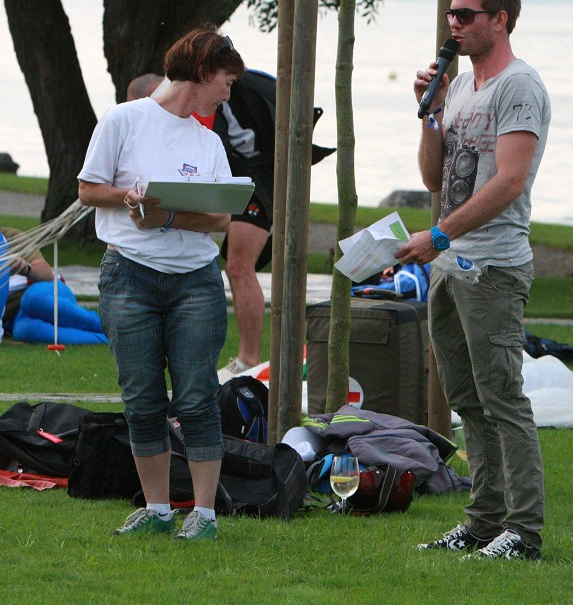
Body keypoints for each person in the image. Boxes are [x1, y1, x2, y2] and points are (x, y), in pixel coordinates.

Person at [395, 0, 549, 560]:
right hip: (451, 264)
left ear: (500, 19)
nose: (453, 25)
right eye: (450, 15)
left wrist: (438, 233)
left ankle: (524, 531)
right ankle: (483, 521)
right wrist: (431, 112)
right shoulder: (460, 87)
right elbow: (435, 178)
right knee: (468, 400)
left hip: (493, 266)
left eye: (465, 15)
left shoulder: (520, 86)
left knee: (503, 398)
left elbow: (510, 181)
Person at [78, 28, 243, 541]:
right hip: (128, 274)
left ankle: (205, 514)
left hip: (195, 281)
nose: (228, 93)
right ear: (202, 72)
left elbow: (220, 219)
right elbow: (88, 190)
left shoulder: (208, 139)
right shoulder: (124, 120)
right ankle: (156, 508)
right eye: (226, 82)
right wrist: (134, 198)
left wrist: (166, 215)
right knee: (142, 398)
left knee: (196, 397)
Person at [126, 69, 332, 374]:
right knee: (232, 262)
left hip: (256, 179)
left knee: (238, 266)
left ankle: (249, 359)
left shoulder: (214, 95)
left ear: (159, 89)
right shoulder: (187, 110)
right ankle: (235, 355)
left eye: (150, 102)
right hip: (235, 177)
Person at [0, 227, 107, 345]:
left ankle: (110, 326)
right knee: (24, 331)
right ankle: (109, 340)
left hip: (46, 290)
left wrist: (26, 268)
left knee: (32, 300)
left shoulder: (10, 237)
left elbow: (47, 274)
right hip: (16, 315)